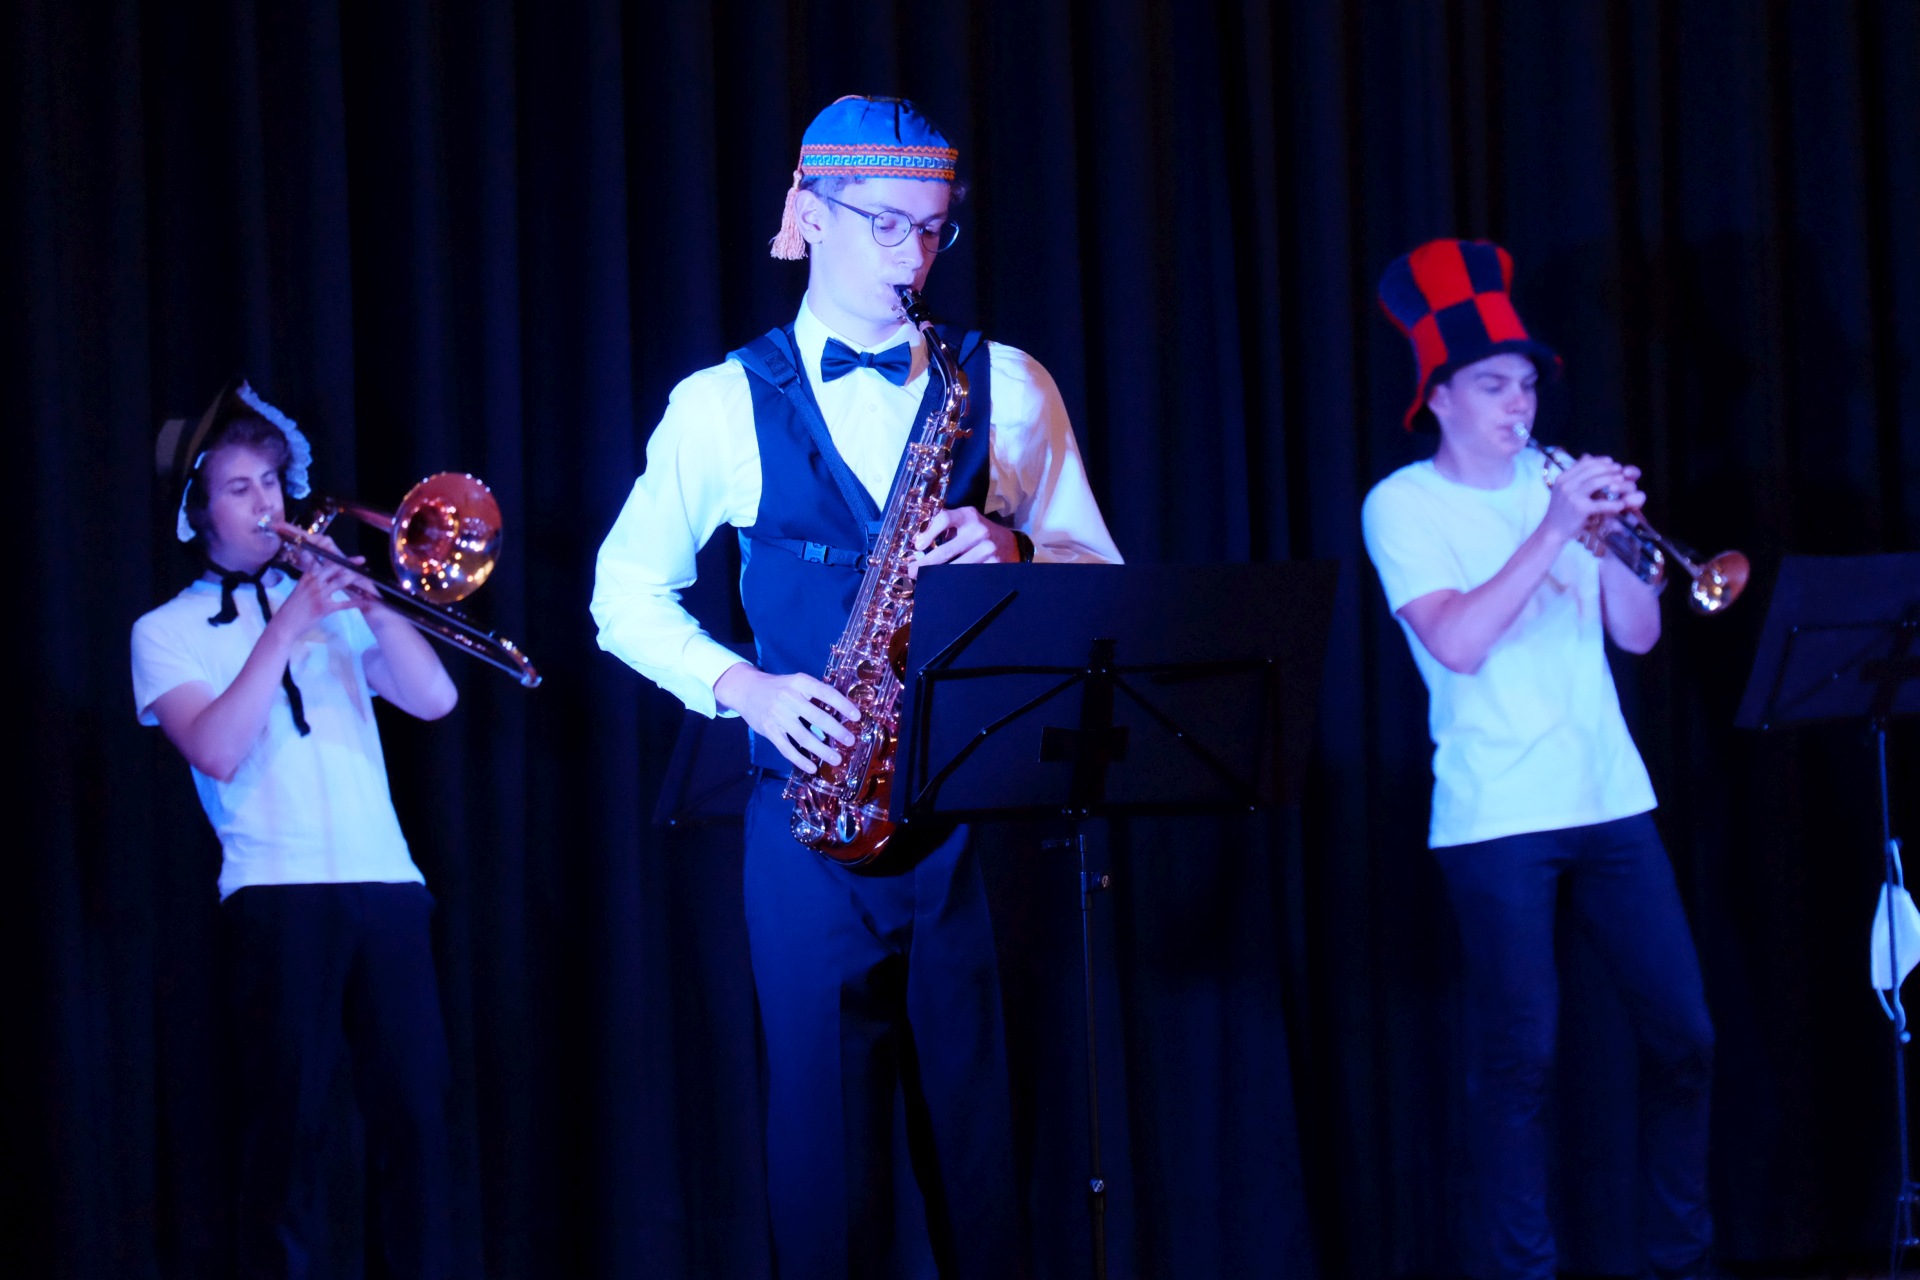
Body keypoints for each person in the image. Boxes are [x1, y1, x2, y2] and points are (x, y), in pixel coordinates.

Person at [591, 95, 1121, 1278]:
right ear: (810, 213)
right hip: (808, 824)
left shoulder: (1007, 381)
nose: (911, 257)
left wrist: (1019, 551)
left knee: (991, 1174)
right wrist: (745, 686)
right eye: (885, 224)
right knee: (824, 1183)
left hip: (978, 823)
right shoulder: (721, 400)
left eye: (932, 230)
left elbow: (1102, 576)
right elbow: (621, 593)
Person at [1361, 240, 1716, 1280]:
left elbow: (1640, 634)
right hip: (1496, 814)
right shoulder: (1404, 504)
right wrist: (1555, 530)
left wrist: (1620, 541)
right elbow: (1459, 642)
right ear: (1438, 397)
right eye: (1492, 385)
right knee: (1522, 1061)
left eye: (1525, 384)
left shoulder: (1559, 480)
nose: (1517, 404)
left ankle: (1681, 1261)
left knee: (1686, 1038)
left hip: (1610, 797)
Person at [132, 380, 460, 1280]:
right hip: (275, 895)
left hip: (387, 884)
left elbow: (435, 699)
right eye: (239, 488)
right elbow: (216, 749)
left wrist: (376, 602)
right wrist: (284, 628)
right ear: (200, 511)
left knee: (418, 1124)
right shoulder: (164, 631)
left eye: (271, 483)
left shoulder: (328, 605)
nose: (265, 503)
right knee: (291, 1134)